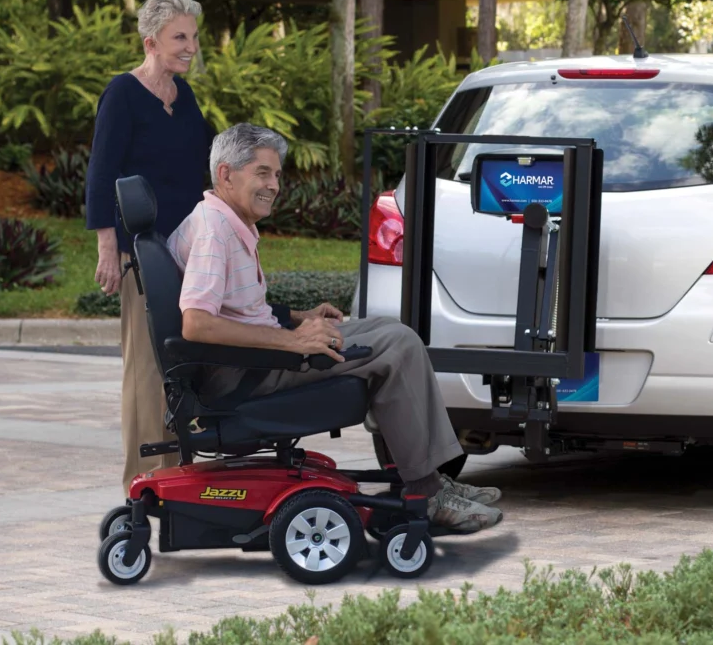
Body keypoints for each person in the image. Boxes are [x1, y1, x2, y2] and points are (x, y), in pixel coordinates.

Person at [167, 123, 504, 533]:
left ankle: (428, 479)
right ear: (225, 174)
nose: (274, 185)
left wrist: (298, 316)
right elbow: (197, 323)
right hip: (246, 374)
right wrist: (291, 340)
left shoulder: (223, 221)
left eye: (276, 174)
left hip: (254, 360)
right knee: (396, 344)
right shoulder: (214, 232)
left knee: (389, 330)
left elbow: (236, 307)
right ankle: (427, 491)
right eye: (262, 173)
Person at [85, 0, 215, 495]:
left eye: (194, 37)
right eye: (180, 37)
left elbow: (201, 169)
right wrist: (107, 248)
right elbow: (101, 176)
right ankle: (143, 484)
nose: (191, 47)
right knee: (146, 369)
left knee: (185, 361)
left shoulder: (186, 99)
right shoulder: (122, 93)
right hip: (143, 252)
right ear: (151, 41)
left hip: (190, 250)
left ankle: (180, 477)